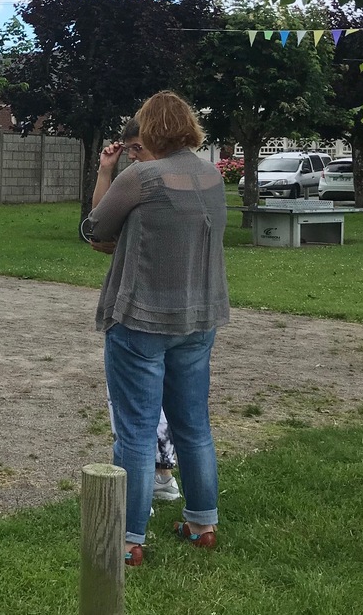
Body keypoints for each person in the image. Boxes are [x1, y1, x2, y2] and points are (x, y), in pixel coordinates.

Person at [86, 91, 229, 568]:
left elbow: (96, 228)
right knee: (194, 425)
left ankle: (129, 539)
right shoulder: (213, 176)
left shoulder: (141, 177)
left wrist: (108, 183)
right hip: (198, 318)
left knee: (136, 430)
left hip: (141, 319)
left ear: (149, 129)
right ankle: (202, 524)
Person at [93, 118, 181, 505]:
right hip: (172, 309)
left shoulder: (155, 182)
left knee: (135, 405)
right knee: (155, 399)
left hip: (140, 309)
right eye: (129, 149)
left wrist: (110, 237)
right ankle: (162, 478)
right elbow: (98, 226)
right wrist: (105, 172)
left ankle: (142, 493)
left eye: (138, 148)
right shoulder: (141, 180)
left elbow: (102, 235)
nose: (132, 156)